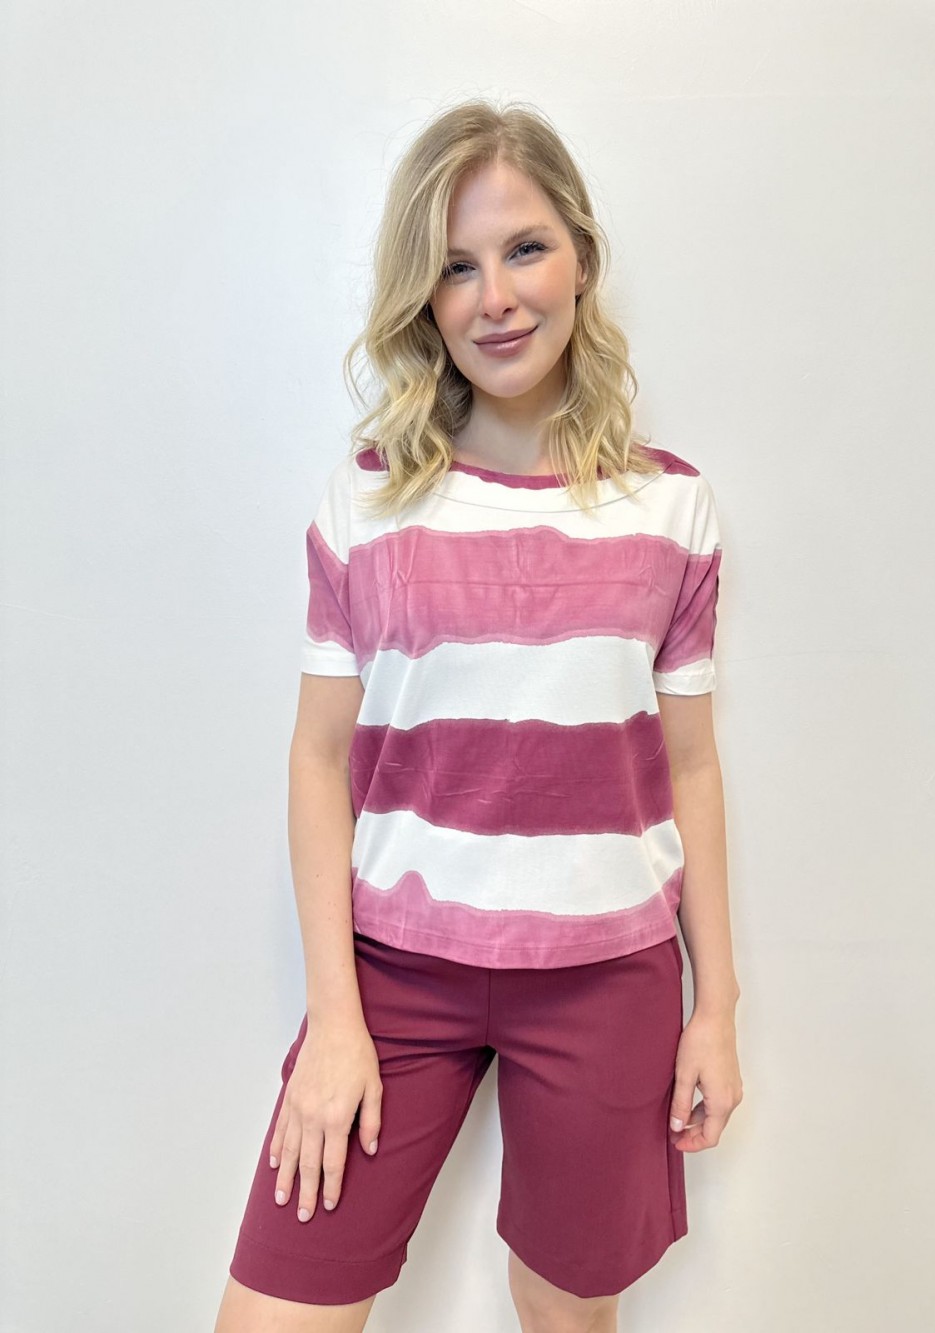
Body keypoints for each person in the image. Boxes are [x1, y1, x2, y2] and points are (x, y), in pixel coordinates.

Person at [214, 97, 743, 1333]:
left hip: (606, 978)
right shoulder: (365, 506)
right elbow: (319, 758)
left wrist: (716, 1007)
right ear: (423, 296)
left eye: (524, 249)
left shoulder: (672, 509)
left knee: (565, 1311)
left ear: (581, 259)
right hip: (395, 975)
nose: (495, 297)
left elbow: (692, 771)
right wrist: (335, 1018)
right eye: (455, 266)